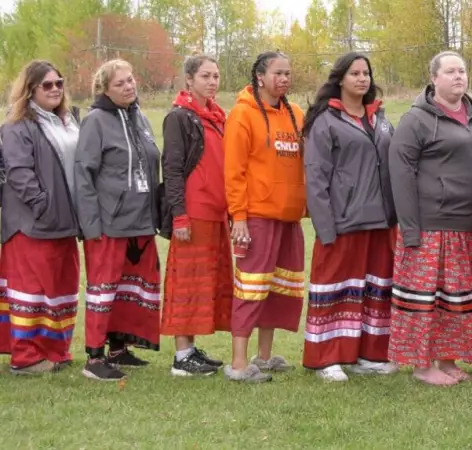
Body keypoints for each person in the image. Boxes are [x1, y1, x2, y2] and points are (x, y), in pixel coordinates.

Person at [388, 51, 472, 386]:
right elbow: (401, 173)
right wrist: (410, 228)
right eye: (450, 72)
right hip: (434, 224)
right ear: (434, 78)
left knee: (458, 299)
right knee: (427, 299)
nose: (458, 77)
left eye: (462, 71)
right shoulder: (416, 120)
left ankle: (448, 360)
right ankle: (422, 365)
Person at [302, 52, 397, 381]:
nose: (362, 78)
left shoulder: (380, 118)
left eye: (366, 73)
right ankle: (326, 358)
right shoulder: (325, 121)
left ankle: (369, 355)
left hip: (381, 222)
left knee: (375, 291)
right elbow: (315, 179)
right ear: (340, 79)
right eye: (355, 73)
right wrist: (326, 228)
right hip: (343, 223)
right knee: (337, 291)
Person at [75, 59, 162, 381]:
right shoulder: (95, 121)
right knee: (103, 288)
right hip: (108, 223)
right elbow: (83, 175)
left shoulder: (139, 117)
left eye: (131, 79)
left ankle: (119, 347)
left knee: (131, 288)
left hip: (140, 221)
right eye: (120, 83)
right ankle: (94, 358)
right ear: (104, 90)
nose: (129, 86)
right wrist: (90, 225)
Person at [223, 51, 305, 383]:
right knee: (251, 287)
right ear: (260, 76)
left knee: (277, 288)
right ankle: (239, 364)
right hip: (256, 216)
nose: (284, 79)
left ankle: (265, 356)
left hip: (289, 219)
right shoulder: (242, 115)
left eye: (288, 73)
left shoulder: (296, 113)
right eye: (277, 73)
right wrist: (238, 217)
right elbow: (234, 172)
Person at [0, 60, 81, 375]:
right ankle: (26, 357)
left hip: (67, 221)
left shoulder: (68, 121)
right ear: (30, 89)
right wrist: (42, 205)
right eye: (47, 85)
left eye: (59, 83)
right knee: (31, 291)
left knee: (61, 288)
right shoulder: (18, 126)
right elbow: (19, 173)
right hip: (32, 223)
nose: (55, 89)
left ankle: (55, 350)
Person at [160, 55, 231, 377]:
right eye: (205, 76)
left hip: (216, 212)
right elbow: (172, 169)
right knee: (186, 283)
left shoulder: (217, 117)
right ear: (189, 80)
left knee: (206, 283)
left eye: (216, 76)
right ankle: (181, 356)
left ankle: (191, 350)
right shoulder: (179, 117)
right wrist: (180, 216)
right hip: (194, 210)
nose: (212, 82)